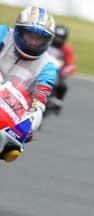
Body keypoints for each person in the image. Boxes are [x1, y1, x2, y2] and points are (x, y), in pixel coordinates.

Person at [0, 6, 57, 137]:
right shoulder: (3, 34)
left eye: (39, 39)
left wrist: (27, 127)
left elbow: (38, 104)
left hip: (5, 117)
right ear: (19, 31)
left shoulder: (47, 68)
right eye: (30, 36)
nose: (33, 42)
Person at [47, 24, 74, 105]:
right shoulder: (46, 43)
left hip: (57, 71)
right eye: (57, 37)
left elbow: (70, 64)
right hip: (43, 65)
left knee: (63, 86)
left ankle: (57, 100)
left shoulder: (66, 49)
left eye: (60, 38)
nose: (58, 40)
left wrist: (66, 71)